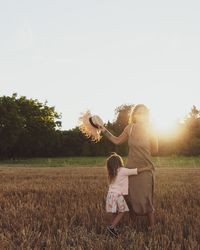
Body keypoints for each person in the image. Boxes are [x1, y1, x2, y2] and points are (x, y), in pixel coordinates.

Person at [100, 104, 158, 230]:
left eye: (143, 113)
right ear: (134, 115)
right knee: (130, 197)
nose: (141, 115)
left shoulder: (151, 129)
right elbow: (116, 140)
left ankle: (152, 226)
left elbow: (155, 149)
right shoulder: (129, 128)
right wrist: (103, 129)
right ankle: (133, 224)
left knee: (146, 197)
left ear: (147, 115)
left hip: (145, 167)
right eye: (138, 113)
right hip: (131, 166)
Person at [106, 152, 152, 237]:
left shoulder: (112, 173)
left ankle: (113, 226)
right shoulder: (122, 171)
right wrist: (147, 168)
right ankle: (111, 227)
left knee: (114, 212)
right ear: (119, 162)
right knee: (123, 211)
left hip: (110, 195)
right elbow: (136, 171)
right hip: (118, 195)